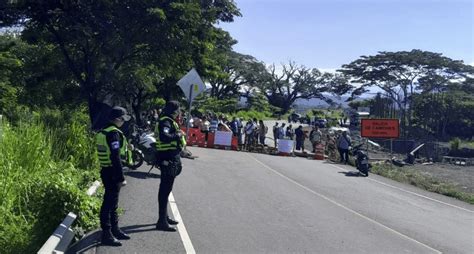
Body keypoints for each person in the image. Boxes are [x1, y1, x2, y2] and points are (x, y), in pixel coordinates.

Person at [95, 106, 132, 246]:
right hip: (113, 172)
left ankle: (115, 230)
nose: (124, 122)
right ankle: (106, 234)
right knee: (109, 203)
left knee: (113, 203)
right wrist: (121, 178)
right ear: (117, 119)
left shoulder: (104, 130)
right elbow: (115, 157)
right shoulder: (113, 133)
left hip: (107, 170)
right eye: (123, 119)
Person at [154, 101, 187, 231]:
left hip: (169, 157)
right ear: (174, 110)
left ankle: (164, 216)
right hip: (167, 157)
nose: (179, 112)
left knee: (166, 190)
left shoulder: (167, 120)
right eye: (178, 110)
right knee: (164, 189)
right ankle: (161, 221)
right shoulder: (165, 121)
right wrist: (179, 134)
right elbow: (164, 137)